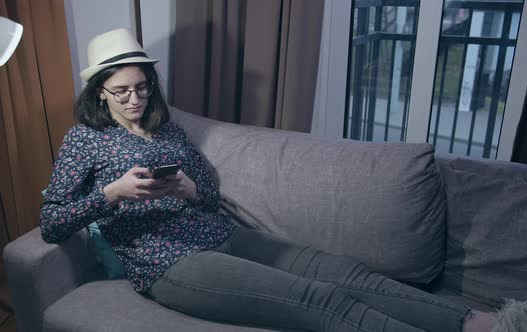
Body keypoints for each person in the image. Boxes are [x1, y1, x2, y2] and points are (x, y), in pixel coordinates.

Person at [40, 28, 499, 332]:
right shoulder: (85, 140)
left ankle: (475, 322)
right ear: (99, 91)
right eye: (121, 90)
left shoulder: (169, 128)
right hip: (171, 264)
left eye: (142, 87)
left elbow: (209, 191)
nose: (134, 98)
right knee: (321, 299)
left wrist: (190, 190)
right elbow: (53, 222)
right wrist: (111, 194)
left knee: (342, 272)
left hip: (224, 234)